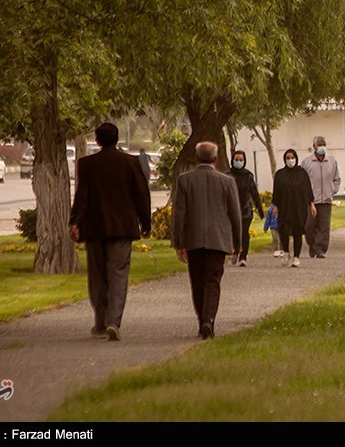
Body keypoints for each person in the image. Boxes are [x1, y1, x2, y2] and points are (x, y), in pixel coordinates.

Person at [69, 122, 151, 342]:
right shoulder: (130, 162)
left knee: (97, 277)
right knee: (118, 275)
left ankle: (100, 322)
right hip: (122, 228)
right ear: (117, 139)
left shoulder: (87, 164)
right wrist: (146, 223)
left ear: (97, 140)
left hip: (94, 227)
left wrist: (74, 221)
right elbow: (141, 194)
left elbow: (82, 196)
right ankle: (113, 321)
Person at [171, 141, 241, 340]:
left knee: (197, 281)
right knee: (212, 280)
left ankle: (202, 318)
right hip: (218, 240)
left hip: (193, 240)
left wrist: (179, 242)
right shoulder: (227, 181)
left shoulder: (185, 180)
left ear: (196, 157)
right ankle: (208, 319)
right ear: (216, 159)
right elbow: (235, 214)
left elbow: (179, 214)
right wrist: (238, 241)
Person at [273, 149, 316, 267]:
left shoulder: (302, 173)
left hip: (299, 207)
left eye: (292, 158)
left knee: (298, 231)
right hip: (284, 207)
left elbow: (308, 189)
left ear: (296, 158)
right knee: (284, 230)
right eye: (288, 158)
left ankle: (296, 256)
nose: (290, 160)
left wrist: (311, 204)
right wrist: (275, 206)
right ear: (284, 159)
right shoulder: (280, 174)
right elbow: (276, 191)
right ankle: (286, 252)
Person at [301, 136, 341, 259]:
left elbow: (337, 179)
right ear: (314, 146)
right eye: (319, 144)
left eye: (324, 144)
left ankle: (320, 250)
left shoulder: (332, 162)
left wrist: (332, 190)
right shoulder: (306, 162)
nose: (322, 146)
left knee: (324, 227)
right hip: (311, 201)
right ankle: (312, 246)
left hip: (326, 200)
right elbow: (301, 181)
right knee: (309, 227)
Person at [228, 150, 264, 267]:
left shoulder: (248, 176)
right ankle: (235, 250)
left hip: (245, 209)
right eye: (236, 160)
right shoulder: (227, 176)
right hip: (230, 209)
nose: (238, 162)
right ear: (233, 160)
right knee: (233, 232)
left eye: (241, 160)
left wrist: (259, 209)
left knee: (244, 232)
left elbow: (254, 193)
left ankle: (243, 257)